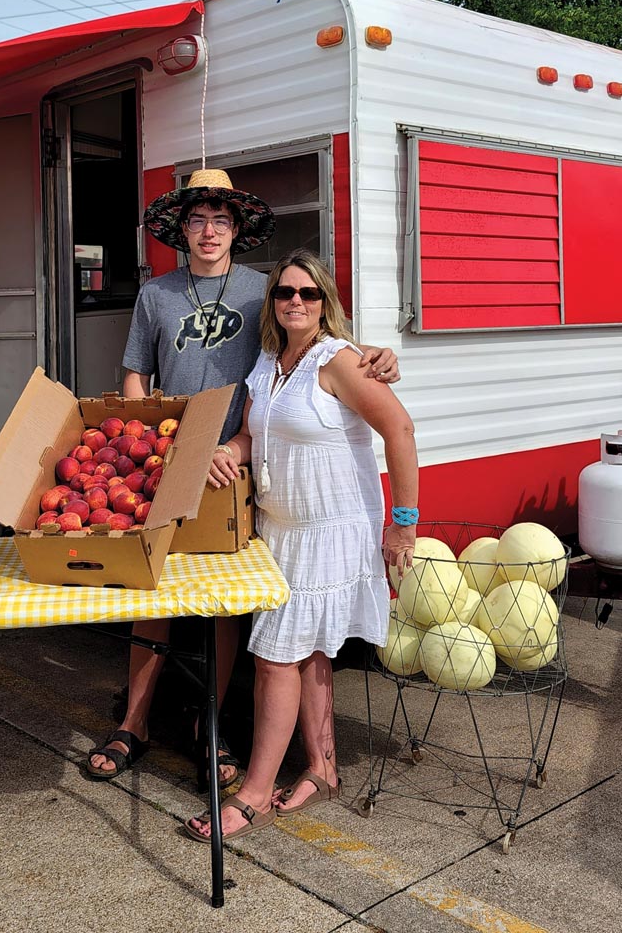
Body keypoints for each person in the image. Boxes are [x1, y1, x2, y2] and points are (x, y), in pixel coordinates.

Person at [86, 171, 401, 785]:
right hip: (170, 461)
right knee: (153, 591)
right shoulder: (156, 294)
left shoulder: (265, 291)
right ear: (181, 231)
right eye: (198, 221)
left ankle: (210, 724)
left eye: (221, 221)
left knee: (223, 602)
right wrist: (149, 439)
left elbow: (316, 335)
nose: (209, 232)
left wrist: (377, 355)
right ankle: (135, 721)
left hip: (236, 468)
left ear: (236, 230)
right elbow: (135, 376)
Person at [185, 249, 418, 842]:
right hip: (282, 531)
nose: (295, 301)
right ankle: (323, 768)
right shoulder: (269, 362)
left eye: (308, 293)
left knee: (274, 658)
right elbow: (251, 433)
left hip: (331, 530)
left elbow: (400, 429)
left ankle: (254, 794)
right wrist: (227, 451)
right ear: (272, 302)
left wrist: (404, 523)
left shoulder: (338, 360)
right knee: (310, 650)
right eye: (284, 292)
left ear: (324, 302)